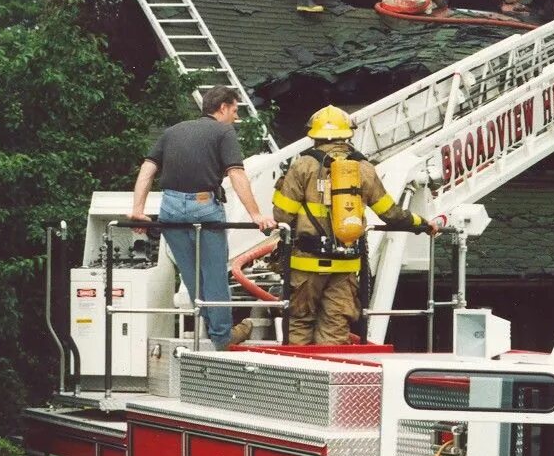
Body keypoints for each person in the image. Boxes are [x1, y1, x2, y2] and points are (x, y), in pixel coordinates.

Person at [271, 105, 441, 345]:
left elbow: (282, 215)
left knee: (299, 321)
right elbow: (390, 213)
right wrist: (422, 223)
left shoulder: (303, 166)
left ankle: (301, 378)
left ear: (315, 136)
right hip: (346, 264)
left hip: (305, 264)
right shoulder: (363, 168)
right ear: (348, 135)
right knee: (336, 325)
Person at [129, 88, 275, 350]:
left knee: (191, 275)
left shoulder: (172, 131)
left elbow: (147, 169)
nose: (235, 116)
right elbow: (237, 174)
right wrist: (255, 215)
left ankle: (213, 329)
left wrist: (138, 209)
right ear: (222, 108)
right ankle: (222, 337)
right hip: (203, 206)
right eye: (234, 110)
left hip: (170, 209)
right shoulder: (223, 132)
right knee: (215, 273)